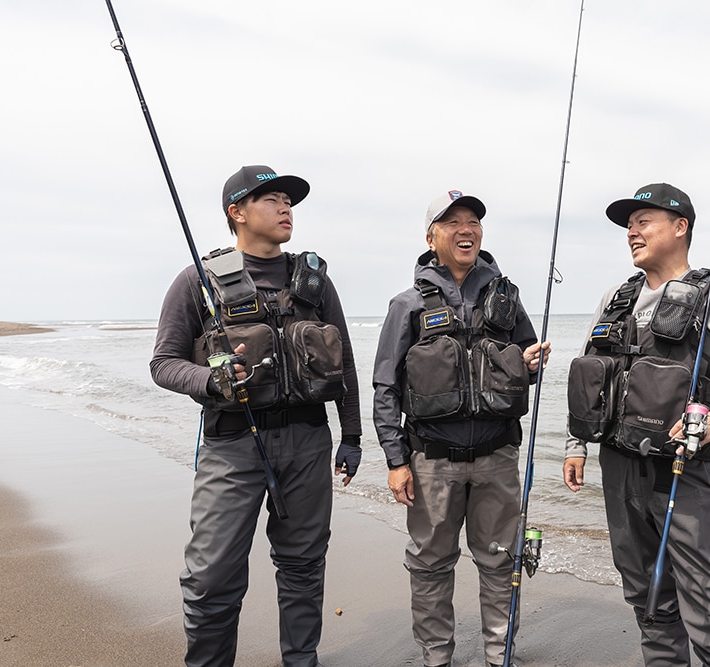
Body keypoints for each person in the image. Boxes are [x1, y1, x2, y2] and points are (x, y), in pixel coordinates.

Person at [150, 165, 362, 667]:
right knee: (211, 578)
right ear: (237, 212)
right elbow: (164, 363)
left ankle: (301, 661)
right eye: (271, 199)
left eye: (289, 199)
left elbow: (345, 362)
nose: (286, 207)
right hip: (232, 446)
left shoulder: (314, 281)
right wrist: (210, 380)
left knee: (304, 567)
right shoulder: (196, 282)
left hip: (309, 442)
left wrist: (350, 436)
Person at [563, 183, 710, 666]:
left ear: (680, 227)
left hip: (684, 475)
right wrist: (575, 445)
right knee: (648, 599)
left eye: (644, 221)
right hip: (618, 471)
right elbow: (590, 377)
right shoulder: (614, 298)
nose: (632, 232)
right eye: (629, 225)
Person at [373, 190, 550, 667]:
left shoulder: (506, 300)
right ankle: (436, 658)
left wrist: (531, 363)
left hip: (498, 457)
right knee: (430, 566)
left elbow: (529, 364)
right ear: (432, 238)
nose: (466, 228)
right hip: (431, 460)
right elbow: (385, 386)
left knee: (500, 560)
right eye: (452, 222)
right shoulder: (406, 304)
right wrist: (395, 461)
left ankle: (499, 655)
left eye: (473, 220)